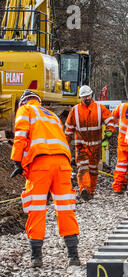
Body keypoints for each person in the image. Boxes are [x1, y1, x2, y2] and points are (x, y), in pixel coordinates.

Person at [10, 90, 80, 267]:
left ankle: (36, 257)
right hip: (63, 164)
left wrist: (17, 161)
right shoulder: (52, 115)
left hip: (41, 164)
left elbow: (20, 136)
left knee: (36, 208)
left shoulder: (26, 110)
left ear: (24, 102)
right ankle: (73, 255)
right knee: (65, 208)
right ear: (38, 101)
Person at [64, 85, 116, 201]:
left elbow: (110, 121)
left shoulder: (99, 108)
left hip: (96, 146)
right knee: (82, 168)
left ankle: (90, 191)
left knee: (93, 170)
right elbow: (68, 131)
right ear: (81, 98)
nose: (86, 98)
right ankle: (84, 189)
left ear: (91, 95)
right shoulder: (75, 110)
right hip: (81, 146)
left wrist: (108, 132)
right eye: (84, 97)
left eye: (88, 96)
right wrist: (64, 146)